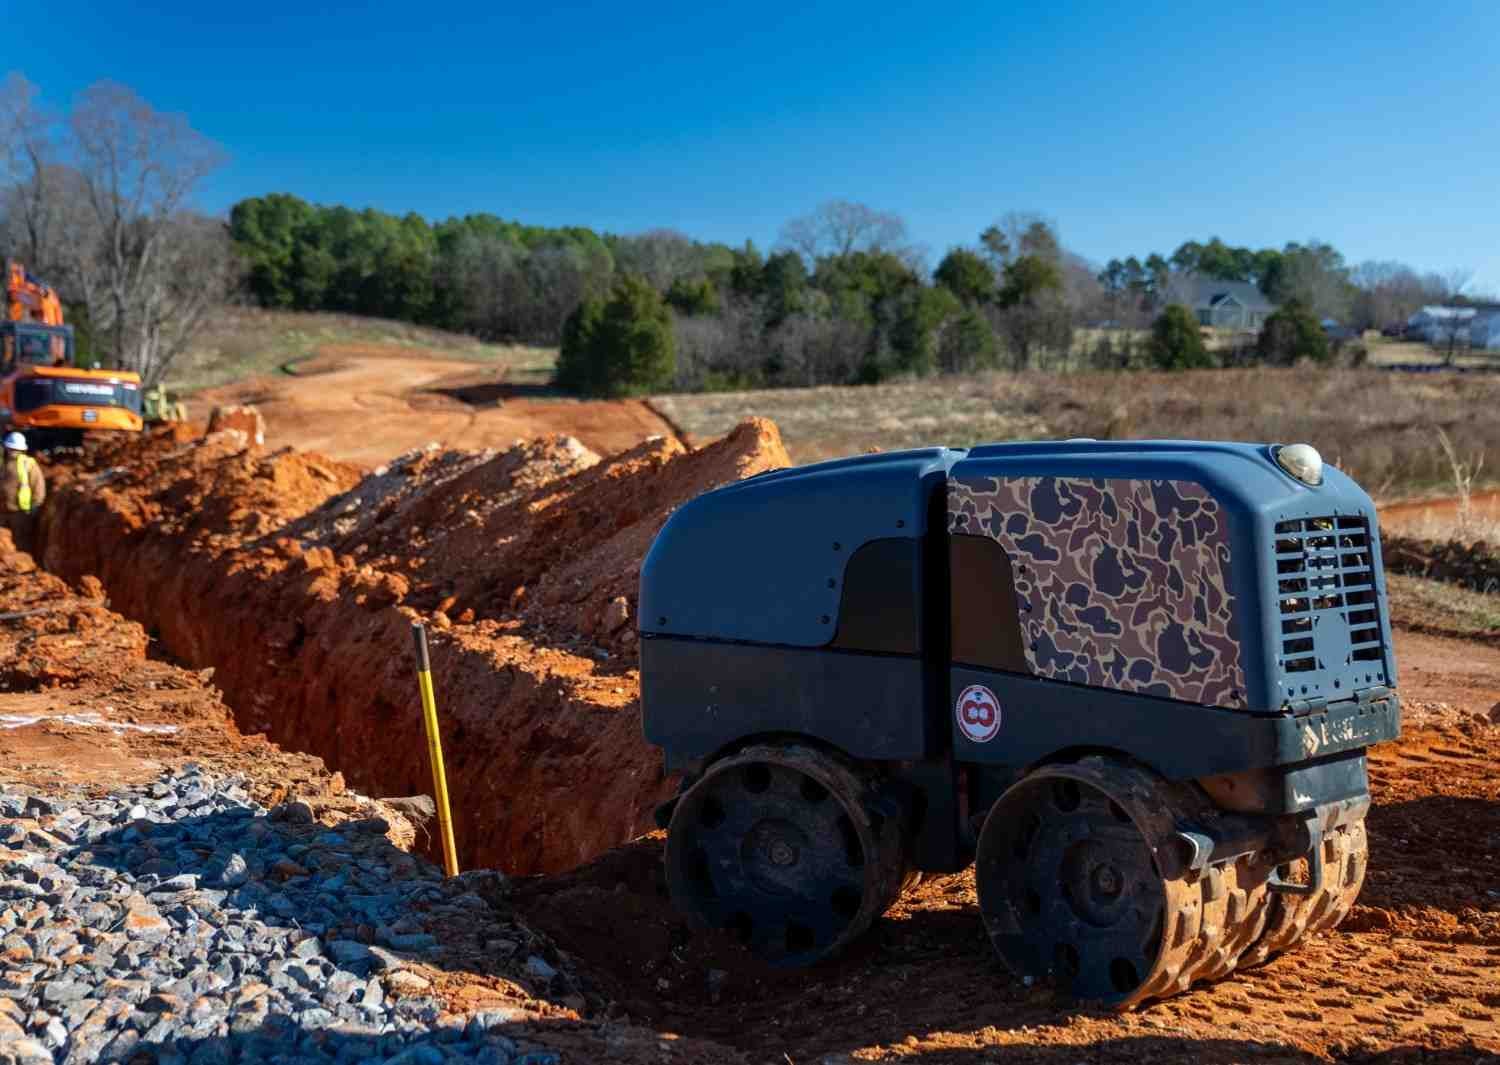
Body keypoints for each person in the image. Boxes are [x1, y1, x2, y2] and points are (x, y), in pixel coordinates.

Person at [1, 431, 45, 552]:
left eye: (15, 449)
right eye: (11, 448)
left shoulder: (28, 464)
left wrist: (35, 506)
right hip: (2, 511)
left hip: (20, 512)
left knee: (21, 542)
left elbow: (38, 486)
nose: (13, 451)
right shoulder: (3, 463)